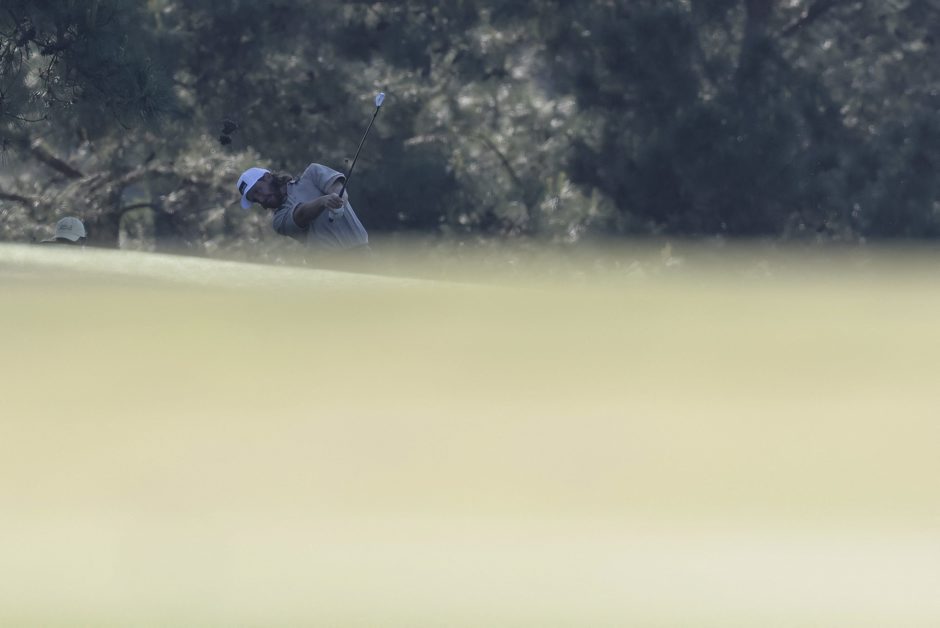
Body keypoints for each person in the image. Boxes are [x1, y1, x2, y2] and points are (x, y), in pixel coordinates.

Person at [236, 163, 369, 251]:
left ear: (268, 177)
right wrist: (323, 201)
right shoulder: (278, 221)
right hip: (327, 265)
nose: (261, 199)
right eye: (255, 200)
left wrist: (339, 201)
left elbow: (337, 188)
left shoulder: (313, 172)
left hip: (361, 252)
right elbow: (300, 215)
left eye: (258, 191)